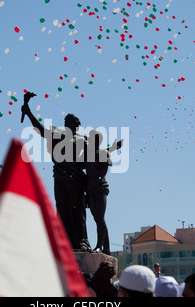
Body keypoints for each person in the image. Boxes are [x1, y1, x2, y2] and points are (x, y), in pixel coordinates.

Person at [21, 92, 90, 251]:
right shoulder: (57, 136)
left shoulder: (82, 140)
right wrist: (28, 110)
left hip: (76, 179)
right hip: (60, 177)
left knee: (77, 209)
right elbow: (39, 129)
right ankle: (61, 240)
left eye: (69, 122)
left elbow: (91, 159)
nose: (66, 123)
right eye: (65, 121)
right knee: (62, 208)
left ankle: (81, 241)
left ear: (75, 125)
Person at [85, 130, 122, 255]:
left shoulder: (101, 153)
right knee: (97, 218)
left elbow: (105, 167)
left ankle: (100, 246)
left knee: (100, 218)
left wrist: (110, 150)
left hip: (99, 187)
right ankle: (106, 248)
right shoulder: (88, 155)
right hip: (89, 189)